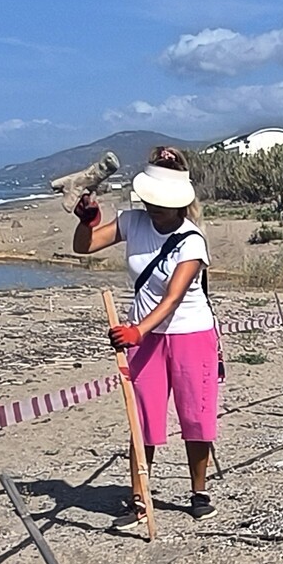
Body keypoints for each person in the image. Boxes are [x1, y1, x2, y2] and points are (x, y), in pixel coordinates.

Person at [72, 147, 218, 526]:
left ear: (179, 203)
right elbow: (83, 246)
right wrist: (88, 218)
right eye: (149, 200)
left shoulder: (192, 240)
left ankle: (198, 490)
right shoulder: (132, 222)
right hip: (144, 336)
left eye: (161, 202)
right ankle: (138, 497)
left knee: (196, 416)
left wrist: (137, 330)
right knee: (143, 416)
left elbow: (173, 297)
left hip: (189, 333)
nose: (153, 208)